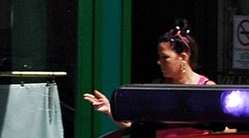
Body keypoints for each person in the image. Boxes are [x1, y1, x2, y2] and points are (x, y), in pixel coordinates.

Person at [83, 19, 212, 125]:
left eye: (165, 57)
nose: (159, 62)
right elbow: (137, 126)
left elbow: (220, 131)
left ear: (183, 57)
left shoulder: (207, 88)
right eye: (159, 57)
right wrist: (109, 111)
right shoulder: (157, 87)